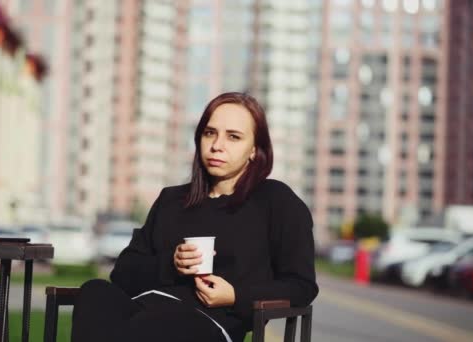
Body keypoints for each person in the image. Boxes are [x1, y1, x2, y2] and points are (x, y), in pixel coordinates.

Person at [72, 92, 318, 342]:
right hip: (144, 310)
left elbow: (301, 285)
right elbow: (123, 273)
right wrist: (172, 264)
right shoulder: (171, 200)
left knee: (149, 327)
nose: (217, 145)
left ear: (254, 149)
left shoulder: (275, 201)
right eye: (210, 133)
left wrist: (235, 295)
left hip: (206, 323)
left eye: (233, 137)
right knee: (94, 291)